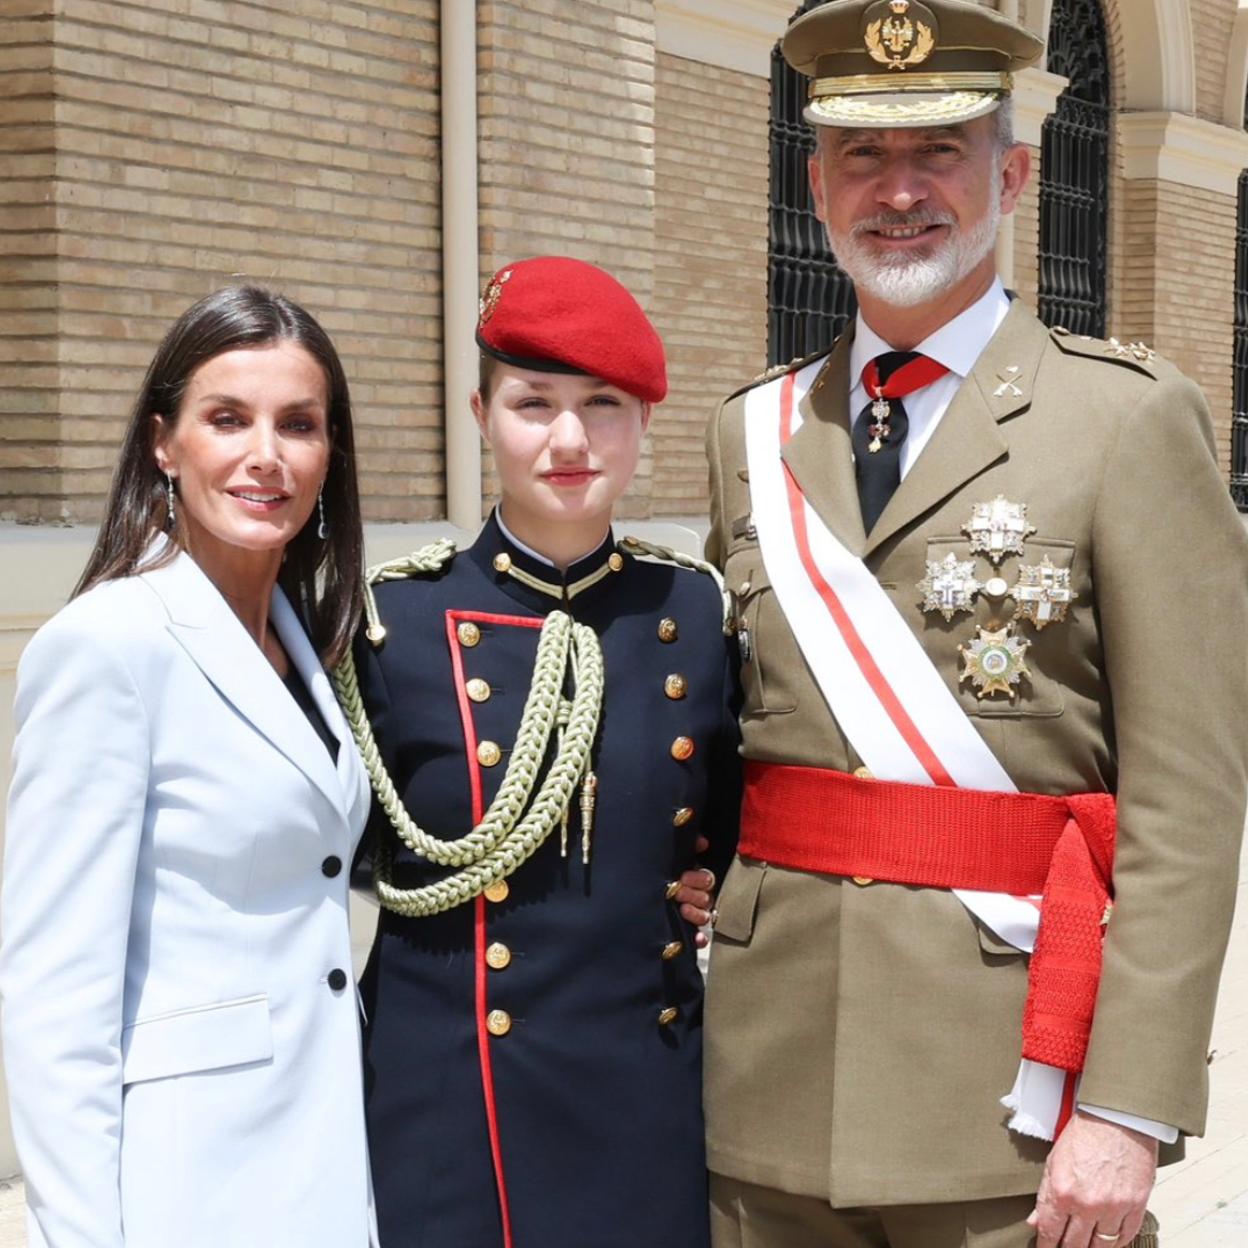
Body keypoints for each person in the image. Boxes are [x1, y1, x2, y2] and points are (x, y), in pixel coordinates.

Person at [701, 3, 1248, 1247]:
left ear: (1010, 173)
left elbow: (1190, 809)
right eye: (862, 157)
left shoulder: (1126, 424)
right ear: (817, 184)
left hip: (1008, 1107)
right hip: (765, 1085)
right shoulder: (753, 435)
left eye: (938, 151)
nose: (899, 192)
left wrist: (1128, 1105)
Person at [336, 255, 738, 1248]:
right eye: (532, 403)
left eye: (603, 404)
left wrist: (726, 887)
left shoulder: (692, 608)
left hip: (644, 1093)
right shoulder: (389, 618)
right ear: (480, 413)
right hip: (449, 1102)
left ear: (646, 421)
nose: (568, 438)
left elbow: (740, 812)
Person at [1, 286, 377, 1248]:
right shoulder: (107, 647)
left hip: (327, 1147)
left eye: (299, 424)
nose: (267, 454)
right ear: (164, 444)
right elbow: (54, 995)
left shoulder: (312, 645)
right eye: (227, 418)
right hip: (186, 1181)